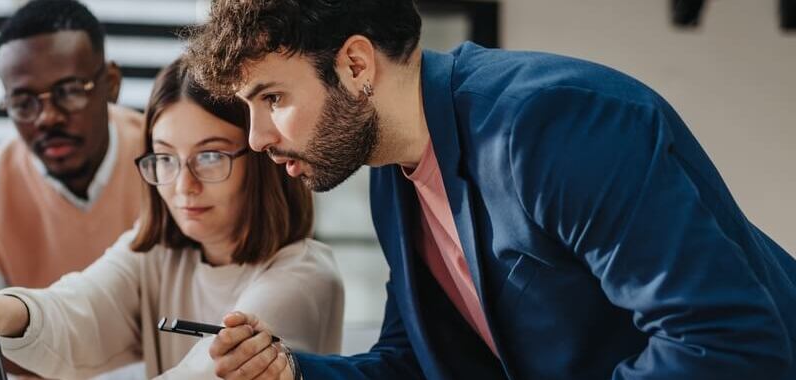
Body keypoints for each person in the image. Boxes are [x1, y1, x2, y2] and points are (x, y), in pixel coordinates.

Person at [181, 1, 796, 379]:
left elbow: (723, 346)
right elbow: (415, 363)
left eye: (273, 98)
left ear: (356, 66)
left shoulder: (546, 126)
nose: (257, 138)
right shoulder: (392, 181)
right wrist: (291, 374)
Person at [0, 57, 344, 379]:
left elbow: (206, 373)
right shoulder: (156, 255)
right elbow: (80, 308)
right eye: (165, 158)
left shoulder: (304, 276)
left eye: (209, 157)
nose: (184, 186)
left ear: (262, 158)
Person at [0, 0, 146, 291]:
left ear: (111, 83)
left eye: (68, 91)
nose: (47, 118)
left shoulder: (167, 161)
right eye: (23, 103)